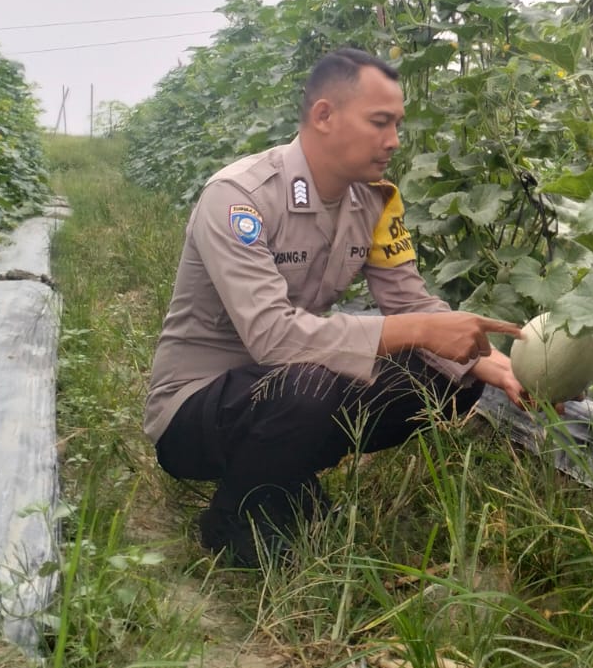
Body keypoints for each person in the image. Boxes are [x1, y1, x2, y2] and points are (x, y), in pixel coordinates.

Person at [143, 47, 526, 565]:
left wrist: (492, 362)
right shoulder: (239, 198)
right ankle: (234, 518)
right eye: (379, 122)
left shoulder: (372, 201)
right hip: (197, 409)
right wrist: (417, 331)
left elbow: (409, 299)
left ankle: (281, 478)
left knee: (450, 375)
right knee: (310, 381)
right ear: (325, 115)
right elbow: (273, 338)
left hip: (289, 385)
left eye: (397, 124)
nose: (393, 140)